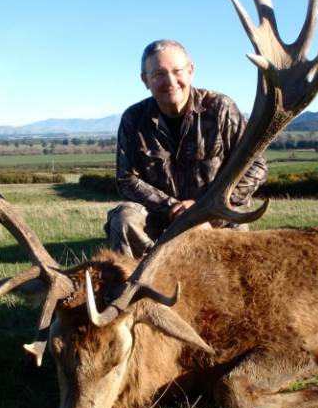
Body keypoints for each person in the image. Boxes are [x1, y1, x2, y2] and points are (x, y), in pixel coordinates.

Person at [105, 39, 268, 258]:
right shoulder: (133, 119)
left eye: (177, 71)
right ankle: (138, 282)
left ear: (191, 71)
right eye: (158, 74)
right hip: (160, 217)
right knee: (123, 219)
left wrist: (203, 210)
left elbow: (255, 166)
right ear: (145, 80)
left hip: (215, 215)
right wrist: (173, 208)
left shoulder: (221, 108)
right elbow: (126, 179)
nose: (170, 81)